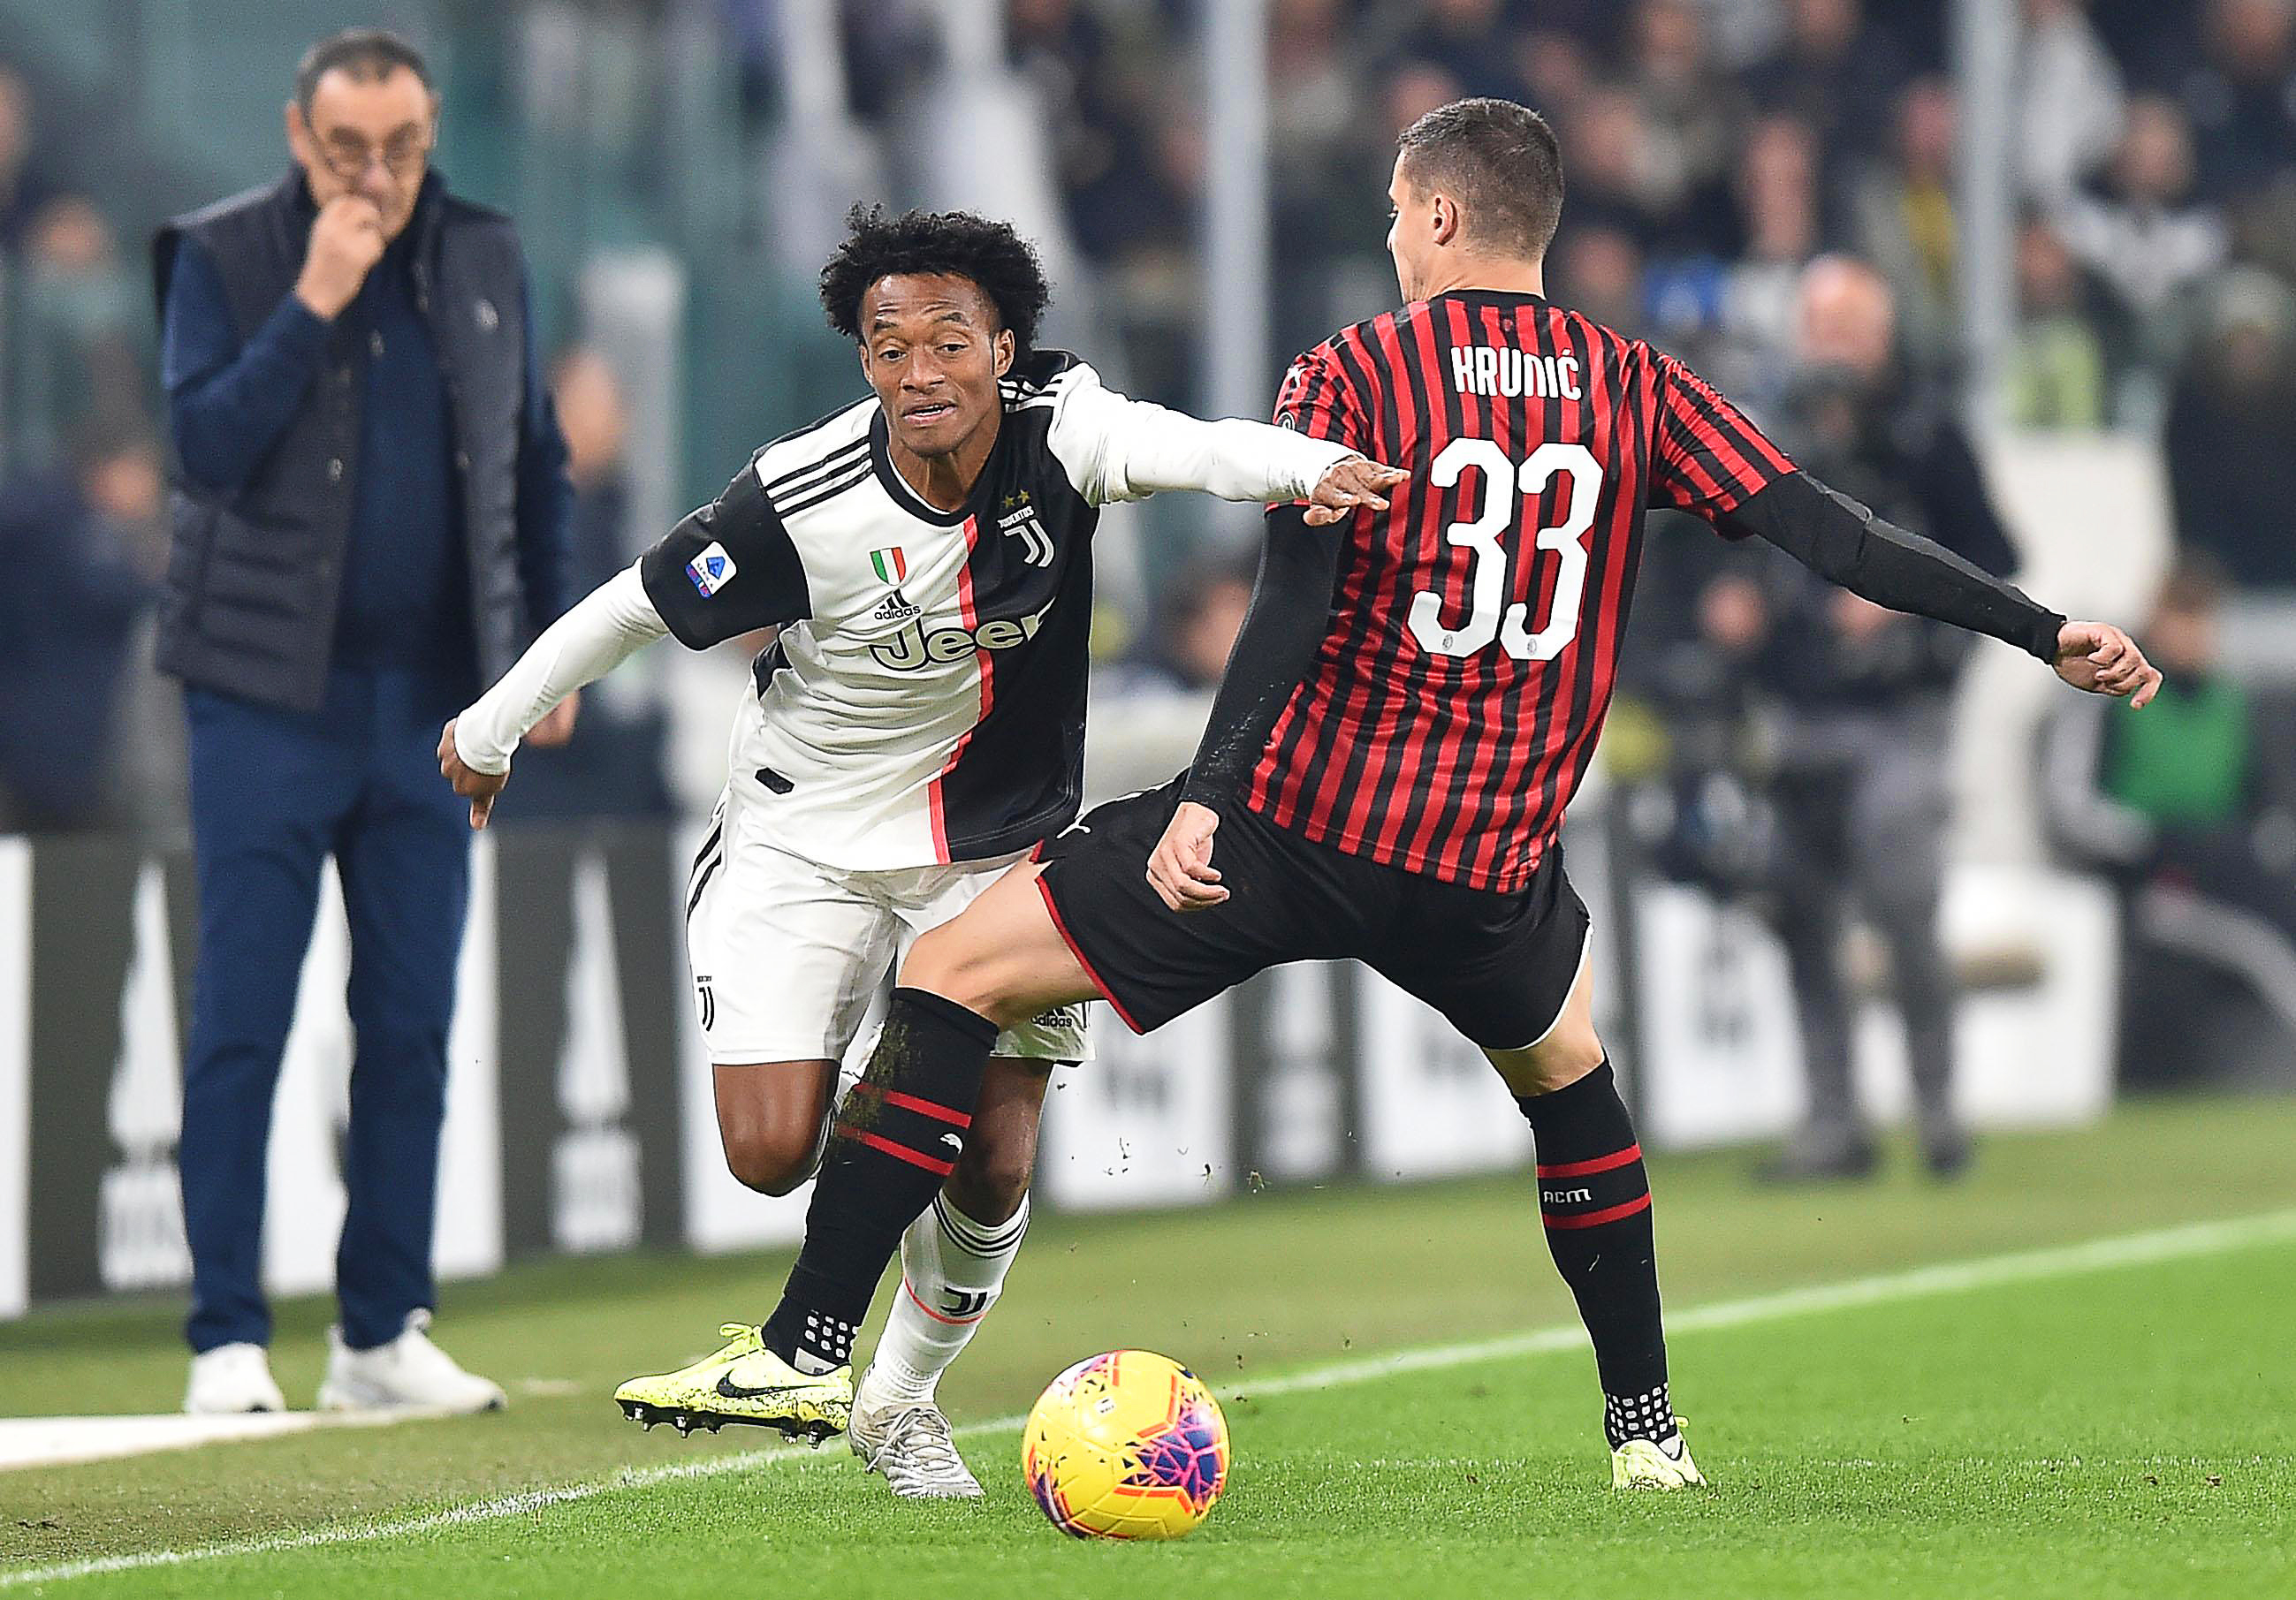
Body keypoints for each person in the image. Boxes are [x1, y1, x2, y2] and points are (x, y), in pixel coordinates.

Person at [679, 97, 2161, 1492]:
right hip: (1486, 861)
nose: (1391, 237)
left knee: (950, 973)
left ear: (1442, 217)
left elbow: (1292, 600)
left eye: (1397, 212)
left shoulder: (1352, 373)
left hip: (1292, 823)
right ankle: (1645, 1431)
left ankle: (808, 1344)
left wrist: (1205, 793)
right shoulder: (1633, 384)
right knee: (1569, 1085)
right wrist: (2041, 630)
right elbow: (1835, 536)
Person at [438, 203, 1403, 1498]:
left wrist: (1304, 465)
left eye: (949, 341)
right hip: (803, 834)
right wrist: (490, 729)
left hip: (990, 844)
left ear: (1003, 346)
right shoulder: (801, 494)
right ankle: (889, 1123)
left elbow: (1187, 445)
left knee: (995, 1154)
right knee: (768, 1152)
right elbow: (633, 606)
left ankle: (897, 1401)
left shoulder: (1065, 427)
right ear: (864, 361)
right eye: (890, 348)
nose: (920, 372)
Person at [156, 29, 575, 1416]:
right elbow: (202, 449)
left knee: (410, 1023)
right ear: (299, 136)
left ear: (430, 129)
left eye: (401, 147)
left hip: (435, 706)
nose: (377, 175)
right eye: (349, 150)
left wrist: (551, 651)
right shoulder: (220, 256)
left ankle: (380, 1330)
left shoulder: (486, 251)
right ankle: (225, 1336)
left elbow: (536, 463)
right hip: (262, 699)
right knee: (241, 1018)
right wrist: (312, 302)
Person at [1746, 257, 2024, 1182]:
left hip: (1900, 712)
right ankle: (1833, 1120)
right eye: (1817, 326)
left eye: (1848, 327)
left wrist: (1904, 605)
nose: (1830, 346)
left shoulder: (1926, 434)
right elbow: (1722, 548)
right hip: (1796, 710)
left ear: (1883, 335)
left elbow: (1992, 558)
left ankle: (1936, 1108)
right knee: (1797, 910)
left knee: (1903, 900)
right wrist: (1736, 610)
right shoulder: (1770, 431)